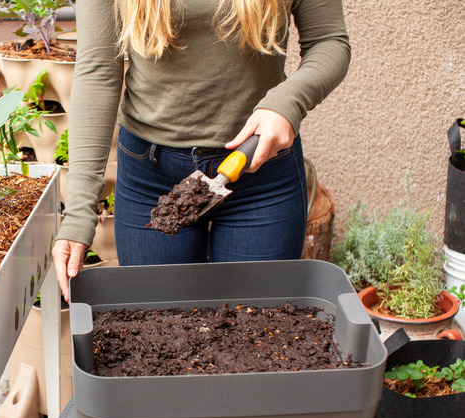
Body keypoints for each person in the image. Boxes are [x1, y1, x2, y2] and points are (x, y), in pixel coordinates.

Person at [53, 0, 351, 300]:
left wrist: (288, 102)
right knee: (159, 333)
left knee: (255, 336)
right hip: (150, 178)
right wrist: (79, 213)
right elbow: (98, 71)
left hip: (260, 175)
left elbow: (329, 42)